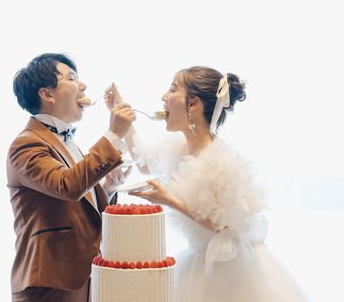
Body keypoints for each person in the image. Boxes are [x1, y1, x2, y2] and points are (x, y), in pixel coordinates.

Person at [108, 66, 308, 302]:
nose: (163, 97)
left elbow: (231, 229)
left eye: (172, 90)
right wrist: (119, 110)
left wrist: (169, 200)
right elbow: (144, 161)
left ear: (193, 104)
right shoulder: (177, 147)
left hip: (231, 274)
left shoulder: (221, 160)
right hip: (197, 266)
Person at [7, 53, 136, 302]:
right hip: (48, 282)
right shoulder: (25, 144)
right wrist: (113, 134)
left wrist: (109, 187)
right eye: (72, 78)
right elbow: (67, 185)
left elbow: (77, 201)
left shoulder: (66, 141)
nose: (83, 85)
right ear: (47, 94)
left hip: (81, 277)